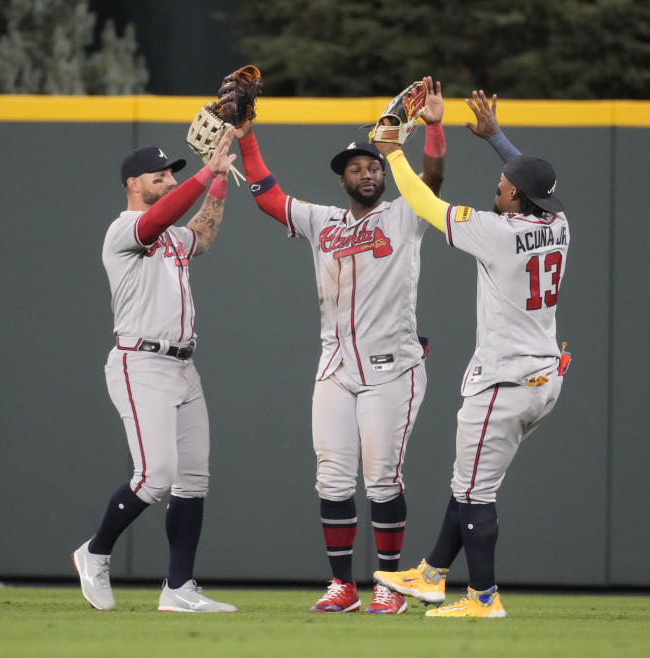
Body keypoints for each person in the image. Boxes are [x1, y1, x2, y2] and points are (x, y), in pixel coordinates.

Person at [232, 78, 447, 614]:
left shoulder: (404, 214)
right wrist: (247, 138)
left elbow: (433, 176)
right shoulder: (321, 221)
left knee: (380, 479)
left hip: (392, 367)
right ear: (343, 178)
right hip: (335, 367)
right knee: (331, 475)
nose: (368, 173)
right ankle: (343, 586)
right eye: (357, 168)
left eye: (374, 166)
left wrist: (436, 127)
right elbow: (267, 196)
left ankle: (390, 587)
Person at [371, 90, 571, 618]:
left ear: (516, 199)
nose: (499, 186)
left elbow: (424, 204)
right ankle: (433, 573)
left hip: (505, 383)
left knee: (475, 493)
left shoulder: (497, 232)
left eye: (505, 186)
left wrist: (393, 152)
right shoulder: (558, 225)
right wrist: (497, 140)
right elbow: (532, 183)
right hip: (542, 378)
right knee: (469, 482)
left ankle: (484, 598)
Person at [72, 130, 239, 613]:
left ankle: (179, 589)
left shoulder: (171, 234)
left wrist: (220, 181)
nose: (168, 181)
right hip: (139, 362)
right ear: (132, 184)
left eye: (172, 175)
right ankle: (95, 552)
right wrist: (206, 170)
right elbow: (164, 215)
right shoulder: (125, 229)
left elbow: (203, 233)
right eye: (159, 176)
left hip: (183, 366)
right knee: (155, 476)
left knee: (193, 481)